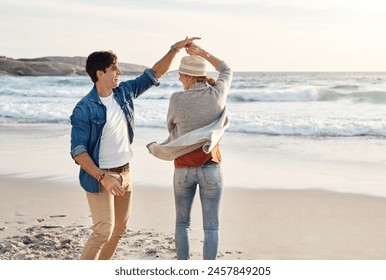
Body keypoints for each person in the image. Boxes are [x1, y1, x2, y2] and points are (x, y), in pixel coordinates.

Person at [70, 36, 200, 260]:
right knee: (103, 232)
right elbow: (78, 150)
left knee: (119, 231)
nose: (119, 72)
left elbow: (154, 74)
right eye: (114, 68)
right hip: (101, 177)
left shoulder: (124, 93)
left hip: (125, 174)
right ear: (100, 73)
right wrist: (103, 177)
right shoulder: (84, 108)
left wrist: (174, 50)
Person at [147, 42, 233, 259]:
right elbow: (226, 69)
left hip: (183, 169)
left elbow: (171, 126)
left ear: (189, 76)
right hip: (211, 168)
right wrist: (203, 53)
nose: (179, 79)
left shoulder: (177, 99)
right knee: (211, 227)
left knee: (182, 223)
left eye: (181, 75)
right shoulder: (218, 94)